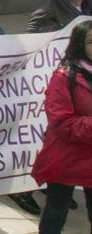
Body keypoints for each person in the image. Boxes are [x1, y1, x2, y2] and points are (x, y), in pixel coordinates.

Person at [30, 19, 92, 233]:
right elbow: (62, 122)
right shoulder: (63, 77)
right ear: (79, 45)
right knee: (57, 210)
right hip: (66, 156)